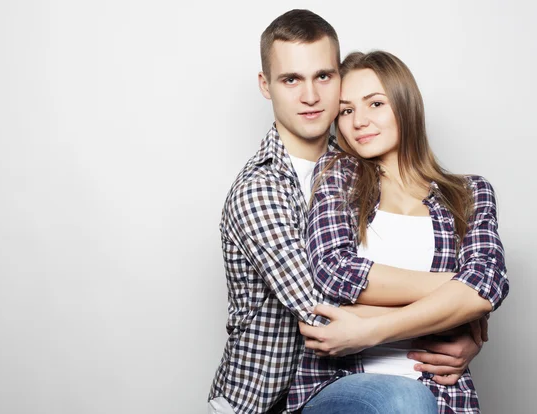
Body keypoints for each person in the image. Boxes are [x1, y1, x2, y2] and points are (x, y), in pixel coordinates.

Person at [209, 10, 487, 414]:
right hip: (268, 400)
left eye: (323, 76)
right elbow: (323, 308)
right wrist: (461, 304)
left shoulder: (362, 169)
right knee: (402, 399)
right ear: (265, 85)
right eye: (291, 79)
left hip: (359, 385)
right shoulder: (259, 189)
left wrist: (470, 309)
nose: (310, 96)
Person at [291, 51, 509, 413]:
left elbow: (490, 277)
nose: (359, 121)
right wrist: (460, 297)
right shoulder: (336, 174)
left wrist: (369, 329)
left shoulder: (470, 194)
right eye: (345, 111)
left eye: (375, 103)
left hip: (445, 395)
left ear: (406, 104)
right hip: (340, 386)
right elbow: (334, 274)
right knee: (404, 398)